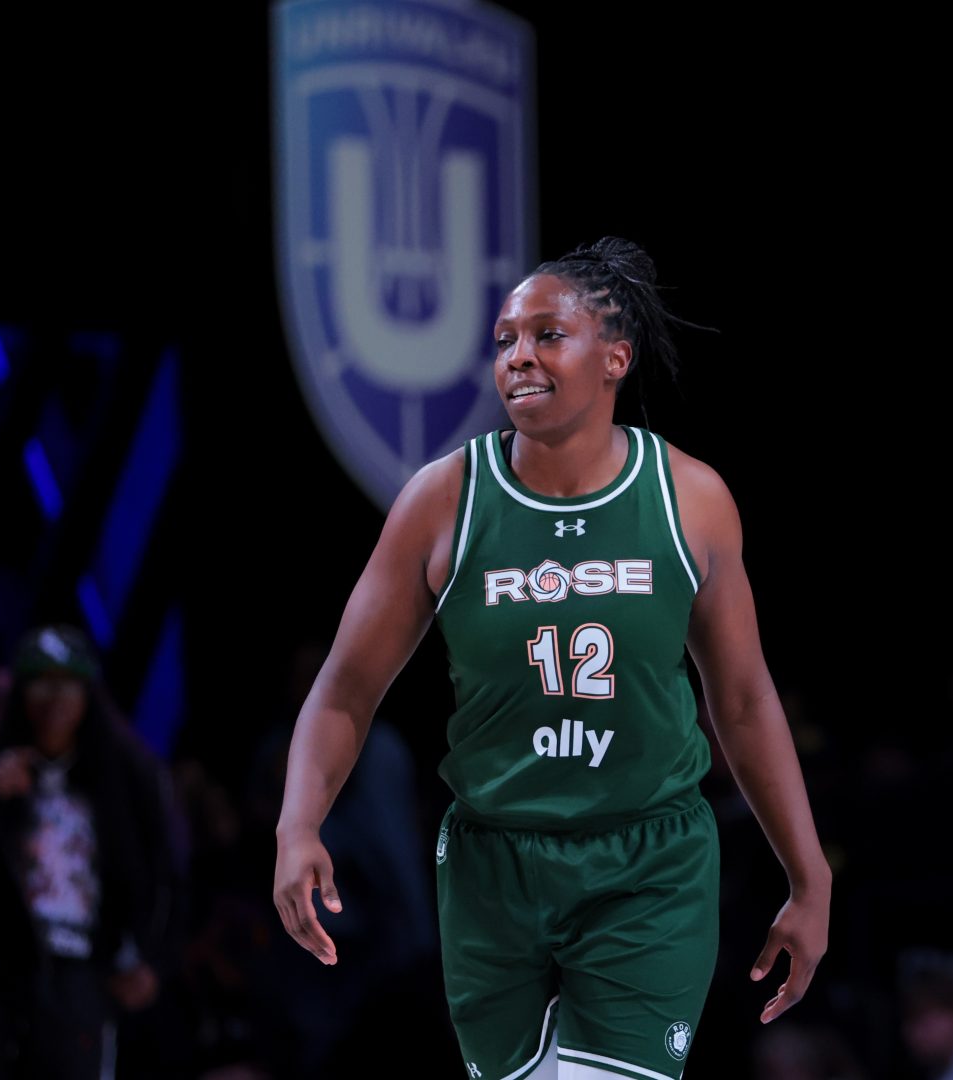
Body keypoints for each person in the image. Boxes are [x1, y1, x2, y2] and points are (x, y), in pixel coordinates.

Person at [272, 237, 831, 1080]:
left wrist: (808, 872)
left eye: (546, 335)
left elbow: (744, 704)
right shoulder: (443, 501)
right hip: (495, 863)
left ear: (615, 356)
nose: (518, 357)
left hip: (647, 856)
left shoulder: (690, 498)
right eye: (504, 340)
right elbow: (347, 690)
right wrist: (297, 823)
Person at [0, 624, 174, 1080]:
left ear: (87, 696)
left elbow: (160, 875)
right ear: (20, 691)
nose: (54, 700)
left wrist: (150, 958)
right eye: (40, 683)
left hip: (81, 973)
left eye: (68, 685)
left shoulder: (123, 782)